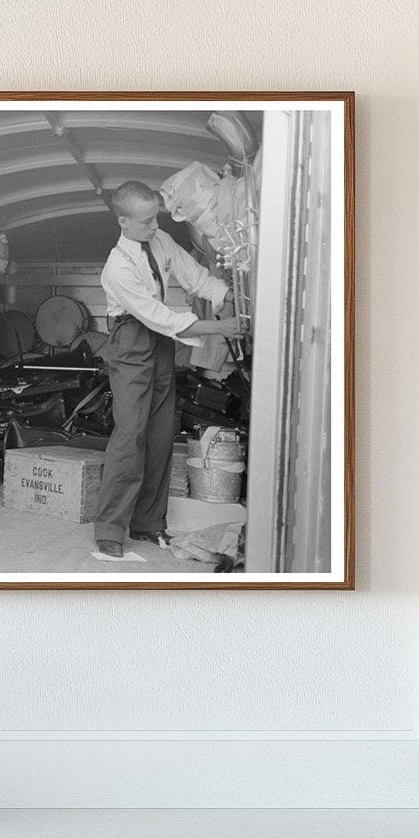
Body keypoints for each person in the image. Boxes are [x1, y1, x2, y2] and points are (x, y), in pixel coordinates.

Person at [94, 180, 245, 559]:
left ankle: (147, 524)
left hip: (160, 342)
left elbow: (194, 275)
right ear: (122, 221)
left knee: (162, 433)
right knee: (130, 436)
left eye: (155, 218)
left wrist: (231, 297)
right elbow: (160, 316)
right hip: (132, 339)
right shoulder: (117, 267)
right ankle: (110, 529)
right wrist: (220, 327)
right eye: (145, 221)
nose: (154, 227)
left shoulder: (159, 240)